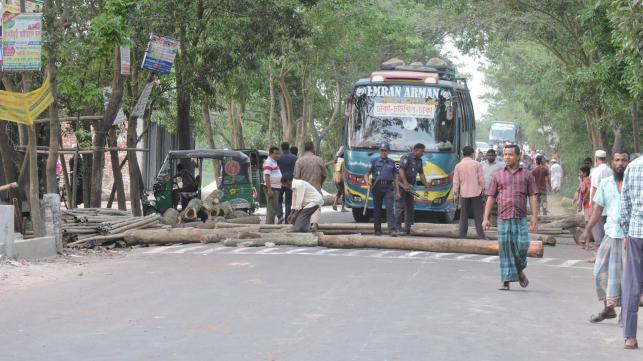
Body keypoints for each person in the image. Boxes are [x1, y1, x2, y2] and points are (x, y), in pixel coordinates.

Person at [578, 151, 629, 324]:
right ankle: (609, 308)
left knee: (627, 276)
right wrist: (587, 231)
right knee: (601, 271)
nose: (620, 163)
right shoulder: (606, 184)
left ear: (628, 163)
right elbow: (598, 210)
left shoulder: (635, 183)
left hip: (630, 237)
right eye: (617, 160)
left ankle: (625, 312)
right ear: (612, 162)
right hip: (610, 234)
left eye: (623, 160)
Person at [483, 144, 539, 291]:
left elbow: (533, 196)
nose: (507, 157)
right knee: (506, 249)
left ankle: (519, 270)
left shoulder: (527, 175)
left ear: (518, 156)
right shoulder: (498, 175)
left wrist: (534, 216)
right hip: (504, 217)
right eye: (505, 154)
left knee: (523, 245)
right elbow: (491, 197)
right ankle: (506, 280)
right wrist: (485, 218)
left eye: (510, 155)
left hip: (520, 217)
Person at [620, 153, 643, 349]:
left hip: (636, 233)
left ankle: (629, 337)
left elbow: (625, 204)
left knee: (632, 284)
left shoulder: (633, 167)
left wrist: (626, 231)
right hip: (635, 232)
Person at [364, 142, 399, 236]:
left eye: (385, 150)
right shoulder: (374, 161)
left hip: (388, 187)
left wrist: (398, 191)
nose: (383, 152)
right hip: (377, 187)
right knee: (377, 209)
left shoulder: (392, 162)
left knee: (390, 208)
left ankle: (392, 230)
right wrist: (367, 181)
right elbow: (366, 174)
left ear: (388, 151)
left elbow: (396, 177)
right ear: (380, 151)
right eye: (382, 150)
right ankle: (377, 230)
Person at [396, 143, 430, 235]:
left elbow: (421, 174)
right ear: (416, 150)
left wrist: (426, 185)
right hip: (401, 185)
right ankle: (397, 228)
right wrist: (405, 183)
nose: (423, 153)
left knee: (410, 207)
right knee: (399, 207)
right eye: (422, 151)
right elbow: (401, 170)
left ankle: (408, 228)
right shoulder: (406, 157)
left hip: (410, 186)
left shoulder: (419, 160)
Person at [453, 145, 486, 239]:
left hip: (464, 194)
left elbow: (456, 182)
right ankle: (481, 236)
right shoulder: (477, 164)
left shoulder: (458, 166)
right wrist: (484, 190)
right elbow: (481, 180)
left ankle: (462, 236)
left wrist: (455, 194)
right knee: (478, 216)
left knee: (463, 216)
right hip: (476, 193)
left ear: (463, 154)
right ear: (472, 154)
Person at [590, 150, 613, 246]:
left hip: (598, 204)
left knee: (598, 230)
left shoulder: (596, 171)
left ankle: (598, 254)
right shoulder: (610, 170)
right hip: (609, 204)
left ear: (596, 159)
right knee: (606, 230)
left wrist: (591, 204)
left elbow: (594, 188)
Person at [277, 142, 297, 223]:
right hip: (290, 181)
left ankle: (280, 215)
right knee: (289, 201)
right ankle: (287, 220)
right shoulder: (295, 158)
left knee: (279, 199)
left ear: (281, 148)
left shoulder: (278, 158)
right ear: (289, 147)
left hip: (280, 181)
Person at [262, 146, 282, 224]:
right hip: (271, 188)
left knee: (273, 208)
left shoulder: (273, 162)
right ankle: (268, 227)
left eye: (278, 154)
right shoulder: (269, 162)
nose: (277, 155)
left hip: (275, 188)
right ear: (270, 154)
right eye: (275, 154)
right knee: (271, 209)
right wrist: (269, 189)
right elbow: (267, 176)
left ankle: (270, 225)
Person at [332, 146, 348, 212]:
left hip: (337, 177)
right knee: (344, 192)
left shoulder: (338, 161)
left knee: (339, 191)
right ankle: (343, 208)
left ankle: (335, 203)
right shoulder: (344, 161)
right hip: (342, 177)